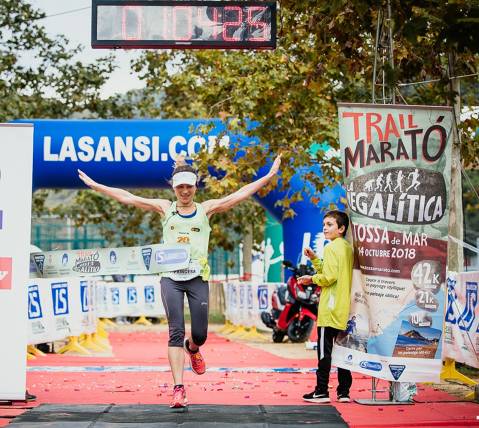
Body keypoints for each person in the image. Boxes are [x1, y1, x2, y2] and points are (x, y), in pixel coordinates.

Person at [78, 154, 281, 408]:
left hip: (197, 278)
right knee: (175, 331)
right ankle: (178, 388)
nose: (184, 192)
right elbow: (128, 197)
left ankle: (193, 349)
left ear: (195, 187)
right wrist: (96, 185)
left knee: (200, 334)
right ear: (174, 188)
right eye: (180, 187)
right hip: (170, 279)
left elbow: (238, 195)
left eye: (189, 187)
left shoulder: (206, 209)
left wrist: (268, 177)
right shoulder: (165, 208)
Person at [297, 210, 353, 404]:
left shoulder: (331, 248)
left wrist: (310, 279)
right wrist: (314, 258)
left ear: (341, 228)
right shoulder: (346, 248)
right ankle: (344, 392)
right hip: (344, 308)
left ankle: (321, 391)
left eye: (330, 224)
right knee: (343, 352)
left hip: (329, 309)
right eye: (324, 224)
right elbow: (330, 271)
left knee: (324, 352)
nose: (325, 228)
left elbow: (328, 277)